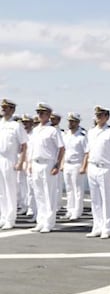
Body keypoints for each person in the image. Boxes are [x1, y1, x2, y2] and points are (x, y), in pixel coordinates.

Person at [85, 105, 110, 239]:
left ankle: (106, 227)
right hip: (92, 166)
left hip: (105, 167)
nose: (99, 118)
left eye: (101, 115)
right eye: (97, 115)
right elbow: (88, 151)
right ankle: (97, 226)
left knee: (106, 199)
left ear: (107, 117)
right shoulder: (91, 132)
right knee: (95, 200)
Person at [29, 103, 65, 233]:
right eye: (38, 113)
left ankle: (49, 223)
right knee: (39, 194)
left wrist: (57, 165)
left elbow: (61, 148)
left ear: (49, 115)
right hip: (35, 162)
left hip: (48, 163)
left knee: (48, 194)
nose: (39, 115)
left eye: (42, 113)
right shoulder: (36, 130)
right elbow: (32, 148)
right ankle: (40, 221)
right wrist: (29, 164)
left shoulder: (53, 130)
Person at [0, 99, 28, 230]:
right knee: (1, 191)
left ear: (12, 110)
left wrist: (21, 162)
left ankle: (10, 219)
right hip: (0, 158)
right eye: (2, 107)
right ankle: (3, 216)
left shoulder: (17, 126)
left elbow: (24, 145)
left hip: (10, 159)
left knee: (10, 190)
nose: (3, 109)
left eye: (6, 107)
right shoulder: (0, 123)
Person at [62, 112, 88, 221]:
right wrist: (62, 163)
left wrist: (84, 166)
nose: (70, 123)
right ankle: (70, 209)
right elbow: (64, 150)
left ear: (77, 123)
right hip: (67, 164)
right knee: (69, 189)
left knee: (77, 189)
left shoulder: (82, 136)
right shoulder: (66, 135)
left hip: (77, 164)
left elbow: (87, 152)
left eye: (72, 121)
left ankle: (77, 211)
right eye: (69, 121)